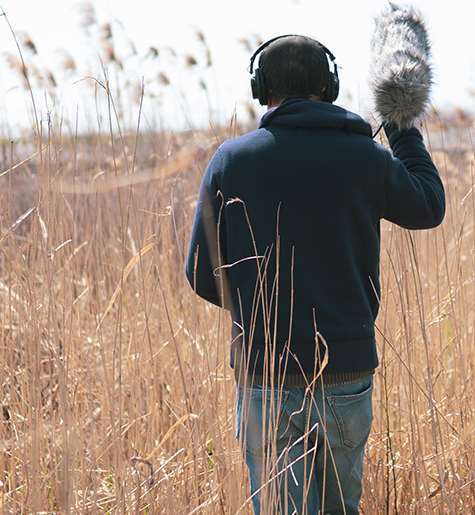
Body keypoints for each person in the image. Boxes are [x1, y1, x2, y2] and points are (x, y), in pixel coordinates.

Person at [185, 34, 445, 514]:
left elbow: (202, 273)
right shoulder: (364, 156)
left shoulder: (232, 159)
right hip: (345, 374)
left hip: (266, 373)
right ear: (331, 85)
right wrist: (401, 128)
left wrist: (260, 309)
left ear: (261, 87)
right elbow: (428, 205)